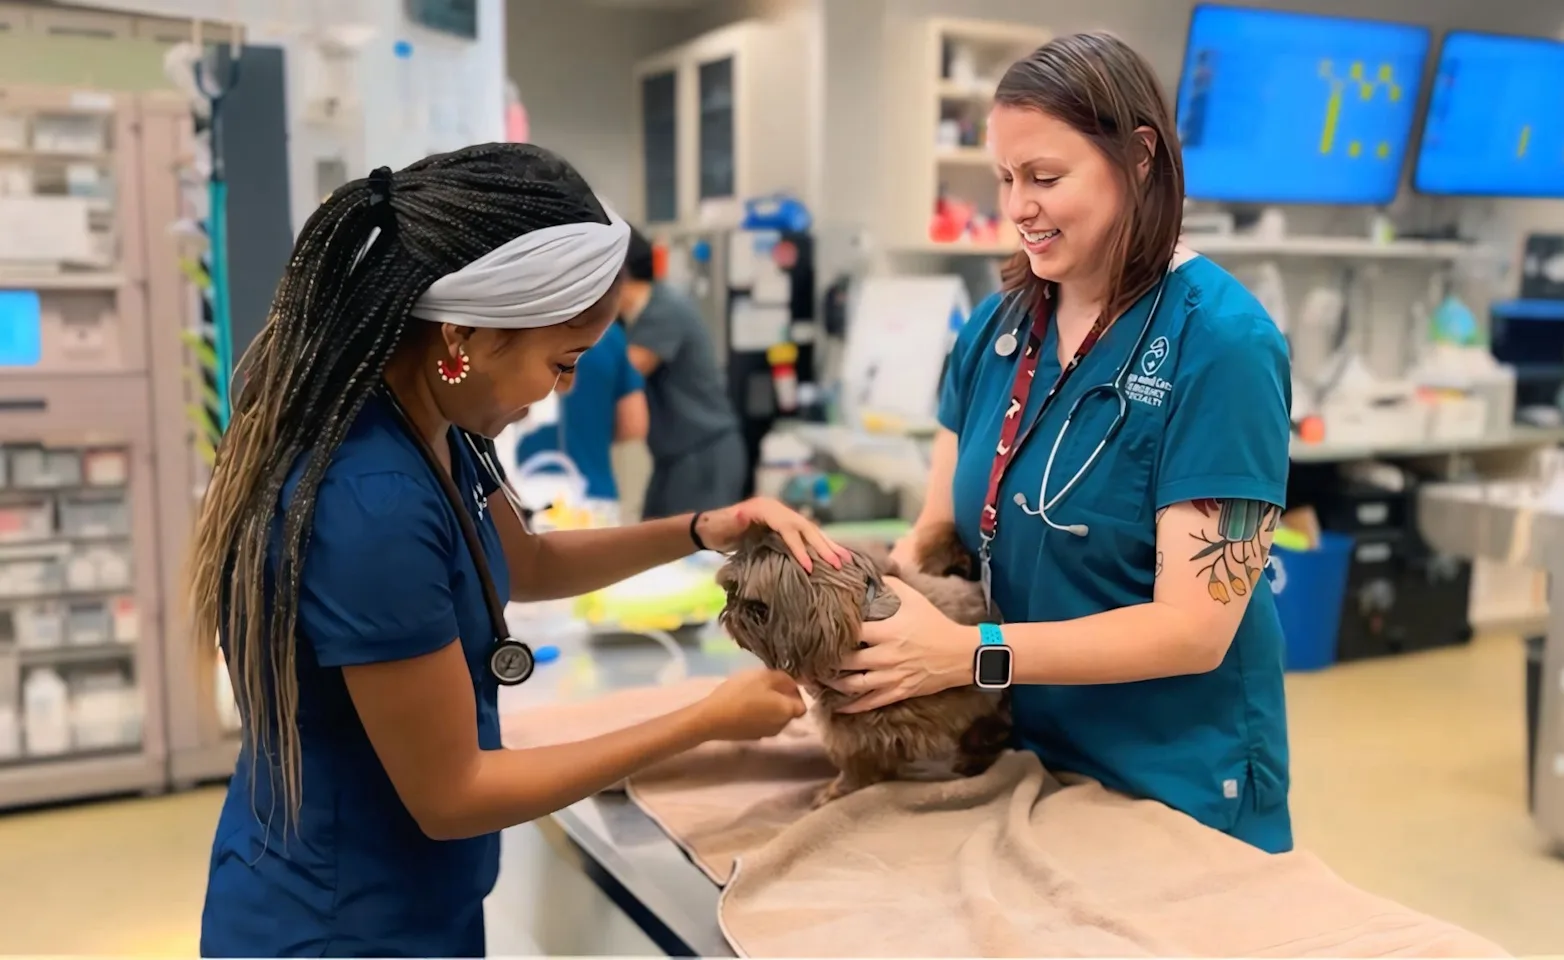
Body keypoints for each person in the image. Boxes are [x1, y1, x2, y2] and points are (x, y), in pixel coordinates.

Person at [188, 143, 849, 957]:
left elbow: (525, 564)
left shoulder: (430, 422)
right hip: (340, 927)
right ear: (464, 332)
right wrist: (705, 720)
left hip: (416, 903)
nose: (564, 390)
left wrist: (698, 528)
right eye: (561, 362)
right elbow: (453, 792)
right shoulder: (371, 503)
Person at [832, 32, 1295, 855]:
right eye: (1006, 179)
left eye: (1045, 177)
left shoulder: (1223, 345)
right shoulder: (998, 327)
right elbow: (940, 535)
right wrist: (860, 632)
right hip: (1023, 760)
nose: (1018, 207)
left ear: (1140, 158)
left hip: (1177, 781)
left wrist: (970, 656)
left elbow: (1194, 629)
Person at [619, 227, 748, 518]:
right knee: (652, 540)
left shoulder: (663, 310)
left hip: (703, 453)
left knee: (694, 553)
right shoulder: (632, 317)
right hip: (673, 456)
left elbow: (625, 371)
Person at [513, 317, 647, 502]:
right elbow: (634, 424)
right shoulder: (609, 334)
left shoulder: (520, 326)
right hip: (594, 493)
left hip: (523, 490)